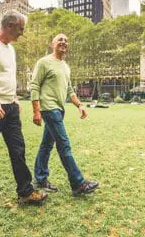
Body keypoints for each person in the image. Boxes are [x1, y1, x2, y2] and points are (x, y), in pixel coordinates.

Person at [0, 10, 47, 210]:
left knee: (18, 149)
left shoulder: (10, 49)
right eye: (21, 28)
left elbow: (6, 77)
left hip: (11, 109)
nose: (22, 32)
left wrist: (14, 99)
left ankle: (25, 192)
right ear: (10, 25)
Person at [30, 33, 99, 196]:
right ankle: (78, 184)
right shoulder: (44, 62)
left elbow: (69, 90)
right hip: (49, 108)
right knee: (64, 145)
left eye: (66, 40)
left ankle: (40, 178)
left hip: (60, 110)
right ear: (52, 44)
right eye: (60, 39)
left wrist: (80, 106)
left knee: (46, 144)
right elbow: (34, 86)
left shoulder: (65, 66)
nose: (63, 42)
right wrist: (36, 110)